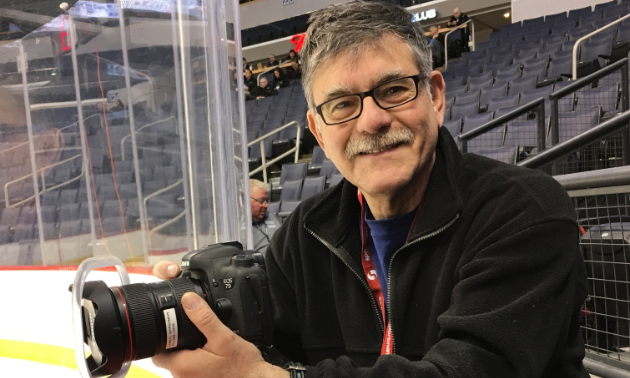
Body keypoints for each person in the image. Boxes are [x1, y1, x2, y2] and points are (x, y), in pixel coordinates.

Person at [152, 2, 589, 378]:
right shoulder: (306, 231)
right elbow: (268, 350)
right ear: (318, 132)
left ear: (435, 96)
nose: (372, 120)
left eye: (394, 90)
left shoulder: (524, 209)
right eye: (342, 105)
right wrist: (197, 315)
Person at [250, 179, 282, 253]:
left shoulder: (273, 219)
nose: (266, 205)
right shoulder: (236, 225)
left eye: (267, 201)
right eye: (261, 201)